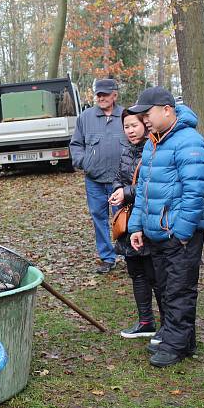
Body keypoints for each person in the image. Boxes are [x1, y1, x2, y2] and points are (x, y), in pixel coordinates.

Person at [127, 86, 204, 367]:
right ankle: (180, 338)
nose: (144, 120)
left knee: (179, 289)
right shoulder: (153, 142)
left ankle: (176, 345)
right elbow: (143, 190)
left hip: (179, 234)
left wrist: (183, 232)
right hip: (156, 232)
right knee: (165, 287)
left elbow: (195, 191)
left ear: (166, 110)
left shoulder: (189, 141)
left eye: (146, 114)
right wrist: (136, 226)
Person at [109, 111, 163, 338]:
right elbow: (119, 177)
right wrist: (116, 191)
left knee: (155, 275)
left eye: (134, 125)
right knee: (136, 272)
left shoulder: (155, 148)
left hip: (148, 219)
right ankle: (145, 322)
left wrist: (127, 193)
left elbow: (152, 185)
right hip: (129, 221)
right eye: (126, 127)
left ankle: (167, 324)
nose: (130, 130)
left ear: (145, 124)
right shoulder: (126, 150)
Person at [69, 78, 126, 274]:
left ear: (114, 95)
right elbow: (76, 145)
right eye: (98, 94)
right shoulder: (85, 117)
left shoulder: (126, 116)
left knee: (123, 217)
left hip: (121, 181)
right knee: (99, 218)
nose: (101, 98)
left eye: (105, 94)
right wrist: (84, 162)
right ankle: (107, 258)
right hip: (94, 180)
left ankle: (128, 254)